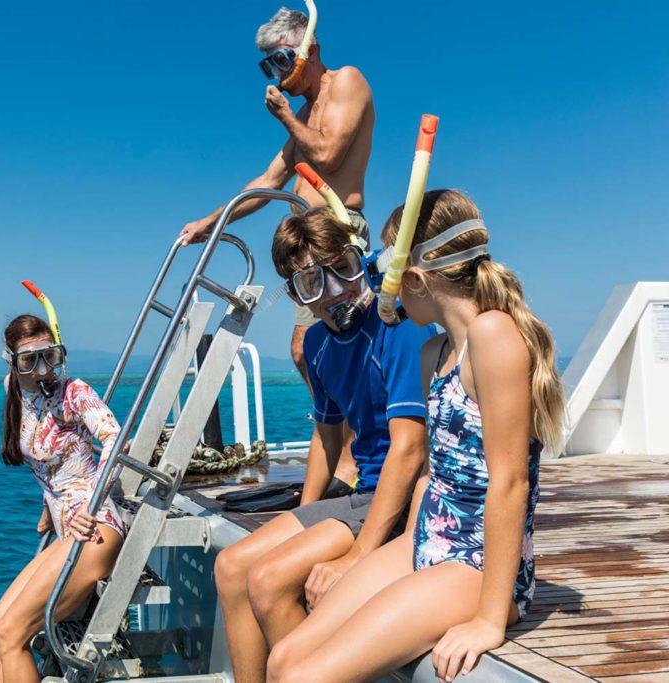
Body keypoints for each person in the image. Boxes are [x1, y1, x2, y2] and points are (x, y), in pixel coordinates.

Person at [265, 190, 565, 683]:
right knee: (283, 662)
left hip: (476, 562)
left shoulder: (493, 336)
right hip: (425, 540)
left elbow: (510, 483)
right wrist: (395, 557)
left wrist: (489, 620)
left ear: (418, 280)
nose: (383, 288)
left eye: (388, 274)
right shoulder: (437, 353)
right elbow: (433, 473)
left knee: (304, 677)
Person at [213, 207, 434, 683]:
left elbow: (411, 451)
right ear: (296, 295)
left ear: (361, 262)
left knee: (268, 581)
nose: (336, 291)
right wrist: (303, 517)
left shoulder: (399, 326)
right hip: (361, 494)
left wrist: (358, 557)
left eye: (344, 269)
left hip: (399, 500)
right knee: (232, 567)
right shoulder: (316, 344)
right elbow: (327, 435)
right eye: (314, 282)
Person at [178, 6, 375, 385]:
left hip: (337, 234)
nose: (279, 74)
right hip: (304, 242)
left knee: (331, 346)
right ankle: (335, 422)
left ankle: (350, 427)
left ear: (310, 52)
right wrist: (211, 222)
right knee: (305, 351)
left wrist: (285, 116)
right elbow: (268, 182)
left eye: (283, 60)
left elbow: (329, 157)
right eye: (270, 66)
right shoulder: (302, 116)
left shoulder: (347, 81)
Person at [0, 314, 124, 683]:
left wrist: (89, 504)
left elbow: (115, 440)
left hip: (94, 530)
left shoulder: (73, 391)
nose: (43, 370)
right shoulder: (13, 387)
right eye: (30, 360)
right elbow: (53, 463)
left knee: (11, 635)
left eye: (51, 357)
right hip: (65, 533)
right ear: (11, 361)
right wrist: (47, 508)